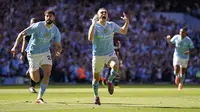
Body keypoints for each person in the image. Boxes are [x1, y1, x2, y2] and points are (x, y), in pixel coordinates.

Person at [11, 10, 62, 103]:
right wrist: (14, 47)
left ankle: (39, 97)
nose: (48, 17)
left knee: (47, 73)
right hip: (33, 54)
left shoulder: (55, 30)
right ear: (44, 17)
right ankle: (31, 70)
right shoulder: (38, 25)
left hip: (45, 53)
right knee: (36, 79)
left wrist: (59, 50)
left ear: (54, 18)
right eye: (47, 16)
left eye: (50, 16)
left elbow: (58, 44)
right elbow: (22, 34)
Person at [88, 8, 129, 105]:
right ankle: (96, 96)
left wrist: (127, 22)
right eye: (101, 12)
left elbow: (123, 31)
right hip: (98, 55)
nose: (104, 14)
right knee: (96, 79)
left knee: (116, 65)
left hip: (110, 54)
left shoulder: (111, 25)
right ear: (98, 15)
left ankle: (109, 81)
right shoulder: (95, 26)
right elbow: (90, 38)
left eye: (105, 12)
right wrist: (93, 24)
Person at [20, 18, 38, 93]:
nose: (32, 25)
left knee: (36, 69)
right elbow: (24, 44)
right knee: (34, 69)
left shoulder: (39, 32)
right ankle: (32, 86)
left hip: (40, 52)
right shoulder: (27, 33)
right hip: (30, 53)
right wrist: (22, 54)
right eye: (31, 23)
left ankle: (29, 70)